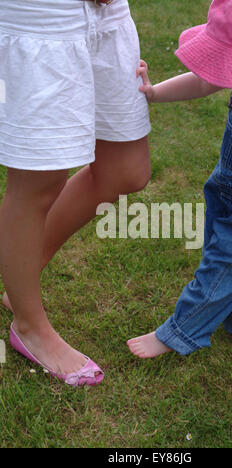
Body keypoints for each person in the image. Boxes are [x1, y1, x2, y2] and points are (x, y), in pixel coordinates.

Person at [127, 0, 232, 369]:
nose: (227, 74)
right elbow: (204, 81)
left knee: (222, 268)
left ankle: (176, 332)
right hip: (226, 191)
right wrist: (156, 93)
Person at [0, 0, 151, 386]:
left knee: (126, 171)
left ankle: (18, 281)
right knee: (37, 183)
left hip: (108, 18)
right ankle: (29, 325)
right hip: (42, 23)